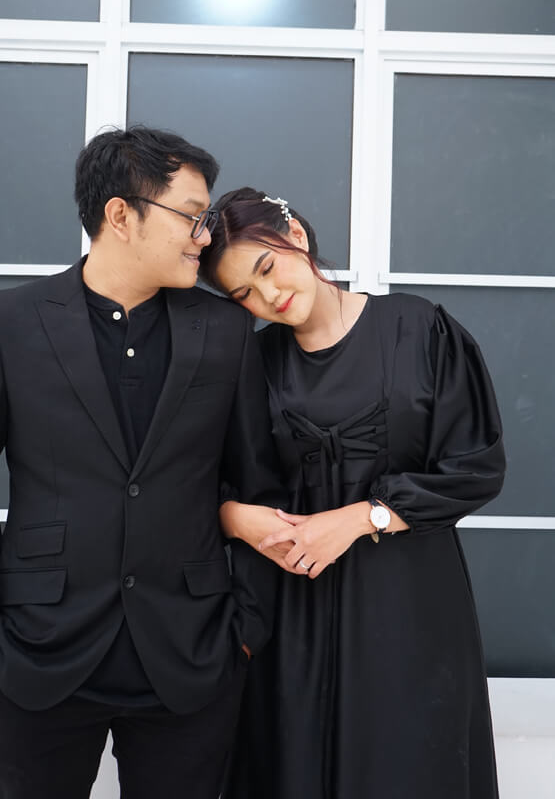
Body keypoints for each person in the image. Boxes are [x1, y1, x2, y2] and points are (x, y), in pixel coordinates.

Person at [0, 129, 282, 799]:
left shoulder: (226, 331)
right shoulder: (9, 322)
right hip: (37, 658)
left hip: (192, 656)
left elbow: (258, 484)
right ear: (121, 215)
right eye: (191, 216)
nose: (204, 236)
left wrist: (244, 632)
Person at [199, 187, 506, 799]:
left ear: (295, 236)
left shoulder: (421, 329)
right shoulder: (252, 364)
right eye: (245, 295)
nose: (269, 296)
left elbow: (476, 467)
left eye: (268, 267)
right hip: (295, 612)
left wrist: (363, 517)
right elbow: (207, 482)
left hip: (412, 606)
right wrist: (235, 518)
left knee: (409, 765)